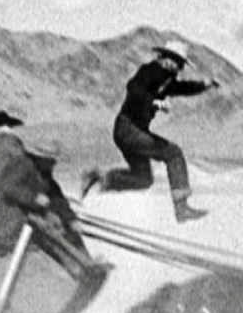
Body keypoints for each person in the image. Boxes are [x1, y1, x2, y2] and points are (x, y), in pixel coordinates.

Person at [0, 110, 107, 313]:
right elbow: (5, 188)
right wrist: (33, 198)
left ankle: (83, 263)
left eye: (53, 162)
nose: (51, 166)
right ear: (38, 158)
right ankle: (75, 266)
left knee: (62, 225)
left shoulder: (41, 171)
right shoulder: (23, 166)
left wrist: (71, 219)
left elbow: (56, 197)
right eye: (48, 161)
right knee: (48, 228)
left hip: (22, 214)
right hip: (4, 215)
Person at [80, 40, 220, 223]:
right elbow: (134, 87)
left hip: (130, 132)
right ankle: (181, 208)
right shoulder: (151, 70)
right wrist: (153, 101)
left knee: (143, 179)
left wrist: (205, 84)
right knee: (174, 154)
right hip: (128, 130)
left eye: (181, 66)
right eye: (178, 64)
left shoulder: (167, 79)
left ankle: (100, 178)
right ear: (168, 58)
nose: (179, 69)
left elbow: (184, 88)